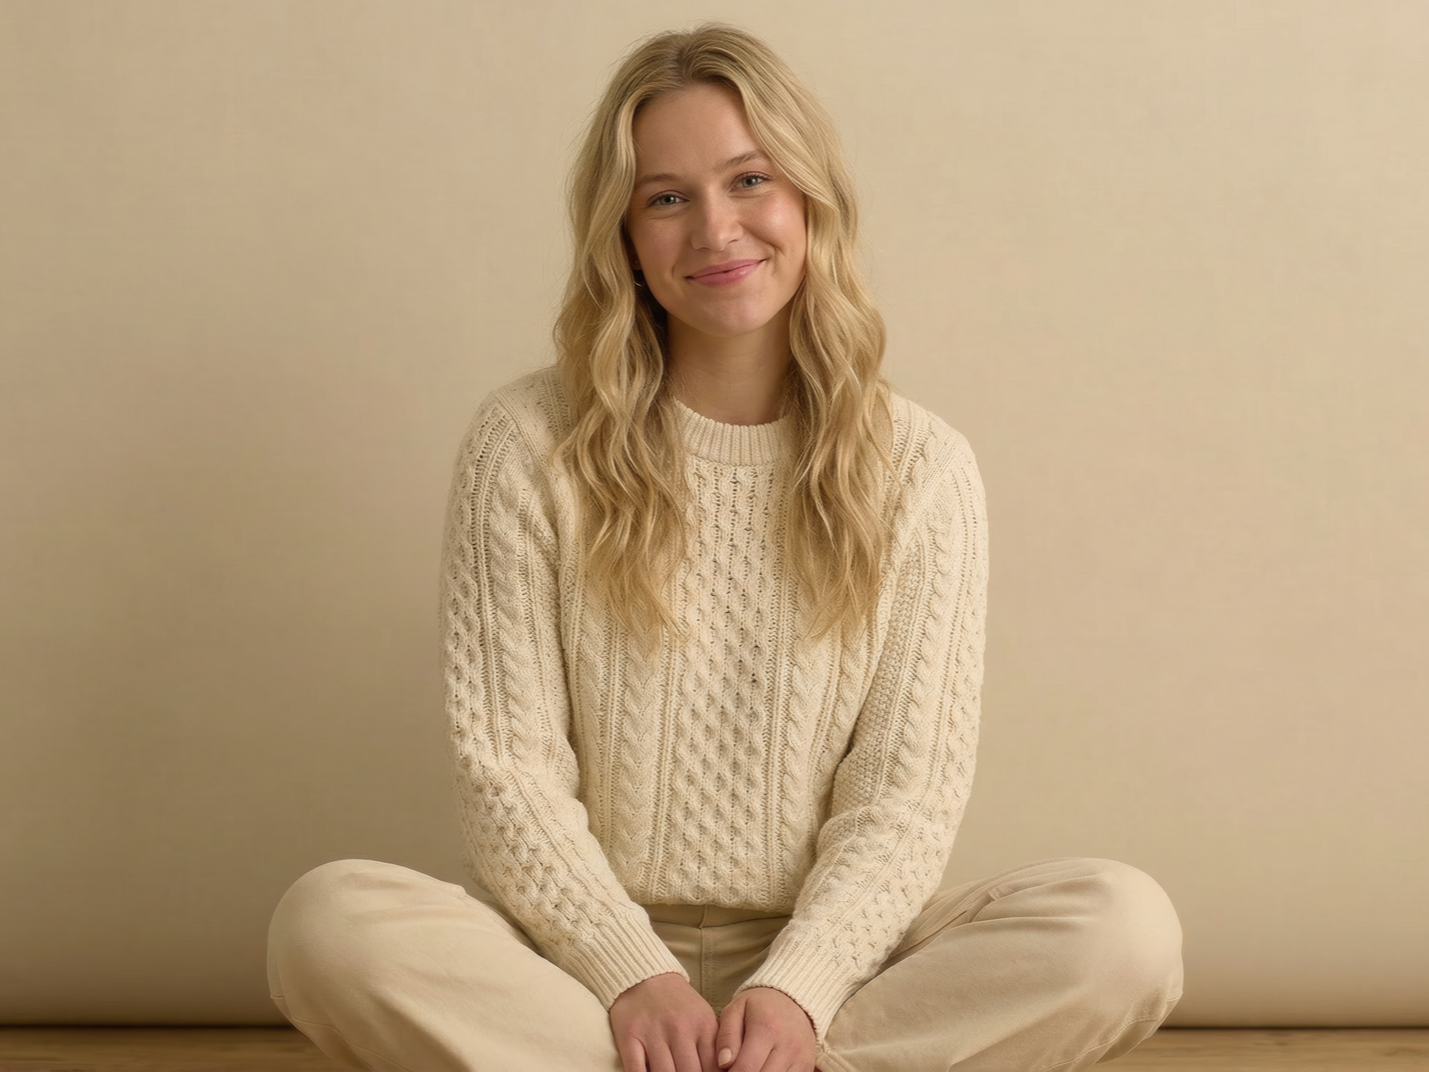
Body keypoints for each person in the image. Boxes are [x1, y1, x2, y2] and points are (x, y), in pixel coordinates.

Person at [266, 23, 1183, 1072]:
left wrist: (796, 990)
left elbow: (904, 797)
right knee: (327, 923)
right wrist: (632, 974)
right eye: (666, 197)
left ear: (808, 200)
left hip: (835, 972)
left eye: (750, 180)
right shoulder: (523, 443)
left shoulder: (923, 467)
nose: (715, 228)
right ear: (623, 236)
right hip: (576, 968)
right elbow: (506, 773)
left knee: (1123, 930)